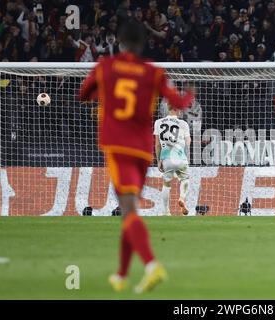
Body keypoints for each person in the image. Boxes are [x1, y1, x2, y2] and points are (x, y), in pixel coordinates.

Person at [79, 20, 194, 293]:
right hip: (143, 150)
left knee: (129, 210)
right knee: (129, 212)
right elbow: (179, 103)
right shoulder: (153, 73)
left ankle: (153, 265)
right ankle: (120, 275)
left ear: (119, 42)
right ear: (143, 44)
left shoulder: (105, 67)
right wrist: (190, 94)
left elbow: (84, 94)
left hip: (118, 147)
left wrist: (102, 93)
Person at [154, 106, 191, 216]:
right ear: (178, 110)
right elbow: (188, 142)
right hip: (180, 157)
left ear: (167, 109)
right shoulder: (183, 123)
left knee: (166, 185)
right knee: (185, 179)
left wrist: (159, 160)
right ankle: (182, 198)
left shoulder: (158, 122)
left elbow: (157, 144)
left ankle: (166, 211)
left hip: (166, 157)